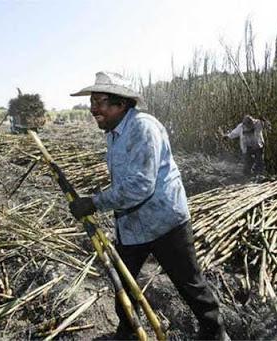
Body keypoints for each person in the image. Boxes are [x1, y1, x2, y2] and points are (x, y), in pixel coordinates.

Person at [69, 71, 230, 341]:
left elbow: (141, 185)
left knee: (190, 284)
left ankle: (215, 334)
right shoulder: (113, 132)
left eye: (100, 101)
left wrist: (94, 203)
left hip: (166, 221)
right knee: (123, 280)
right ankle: (130, 329)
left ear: (121, 103)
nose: (93, 108)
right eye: (92, 102)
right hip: (133, 225)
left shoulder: (143, 127)